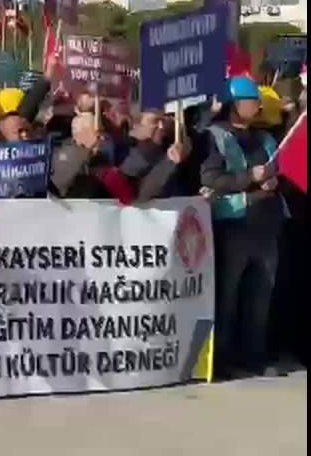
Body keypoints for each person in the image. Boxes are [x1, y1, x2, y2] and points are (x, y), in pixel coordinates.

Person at [201, 77, 289, 379]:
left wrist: (275, 180)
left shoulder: (264, 139)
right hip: (233, 226)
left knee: (260, 297)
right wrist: (249, 178)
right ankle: (223, 359)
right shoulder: (214, 137)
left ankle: (254, 356)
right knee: (228, 297)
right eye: (251, 100)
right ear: (233, 105)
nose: (257, 105)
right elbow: (211, 179)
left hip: (266, 227)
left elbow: (282, 168)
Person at [118, 109, 192, 201]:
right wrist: (169, 162)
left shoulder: (182, 146)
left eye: (164, 120)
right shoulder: (131, 158)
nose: (161, 127)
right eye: (154, 121)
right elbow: (144, 196)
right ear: (136, 127)